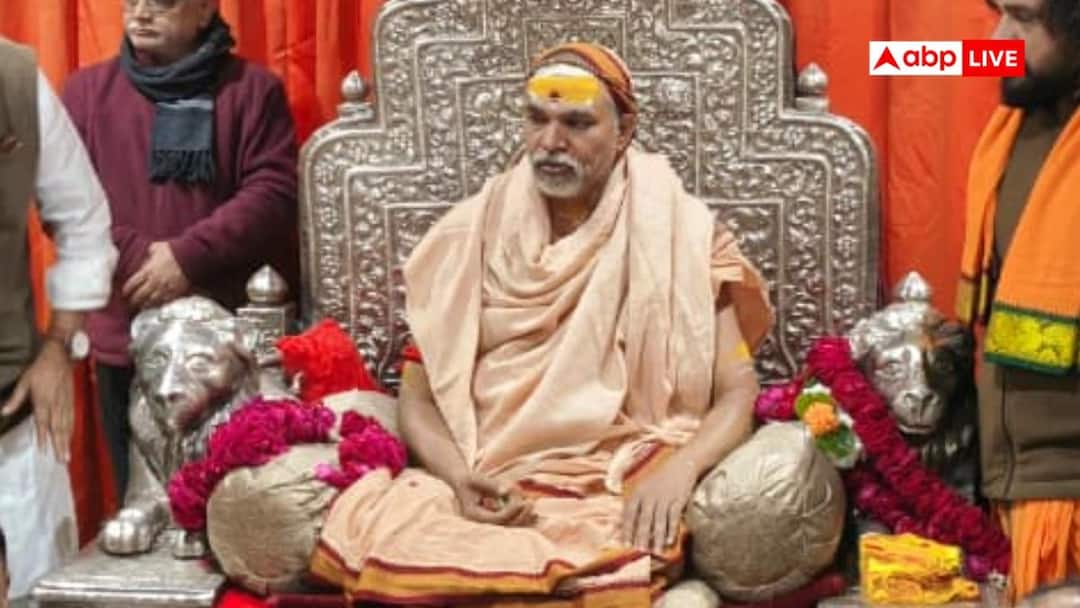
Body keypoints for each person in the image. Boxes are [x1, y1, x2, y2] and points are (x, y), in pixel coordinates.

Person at [309, 42, 774, 607]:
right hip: (491, 476)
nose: (551, 142)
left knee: (594, 560)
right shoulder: (470, 235)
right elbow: (420, 395)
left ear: (624, 131)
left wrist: (683, 470)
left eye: (577, 123)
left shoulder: (680, 233)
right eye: (537, 118)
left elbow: (737, 388)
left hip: (619, 471)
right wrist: (457, 476)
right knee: (403, 535)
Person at [61, 0, 300, 499]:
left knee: (235, 503)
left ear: (205, 10)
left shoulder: (251, 90)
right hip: (127, 326)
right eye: (132, 1)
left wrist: (187, 258)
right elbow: (66, 199)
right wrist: (144, 264)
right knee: (141, 497)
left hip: (226, 340)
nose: (141, 13)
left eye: (163, 2)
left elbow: (273, 192)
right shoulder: (86, 93)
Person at [958, 0, 1080, 602]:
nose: (999, 39)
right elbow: (896, 60)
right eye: (1000, 12)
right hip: (1019, 486)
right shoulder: (1021, 124)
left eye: (1026, 19)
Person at [0, 36, 117, 601]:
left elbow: (83, 219)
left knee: (34, 589)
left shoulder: (12, 79)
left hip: (11, 418)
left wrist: (59, 345)